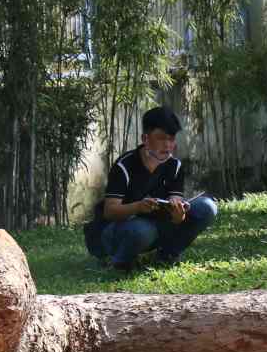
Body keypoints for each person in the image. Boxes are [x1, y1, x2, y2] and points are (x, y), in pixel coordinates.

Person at [86, 106, 219, 272]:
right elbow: (109, 211)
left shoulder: (175, 166)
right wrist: (138, 206)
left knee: (207, 207)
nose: (168, 145)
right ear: (145, 139)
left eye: (171, 139)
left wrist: (179, 214)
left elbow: (175, 207)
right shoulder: (124, 166)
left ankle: (167, 255)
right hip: (116, 230)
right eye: (161, 139)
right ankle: (118, 261)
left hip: (154, 225)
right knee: (143, 230)